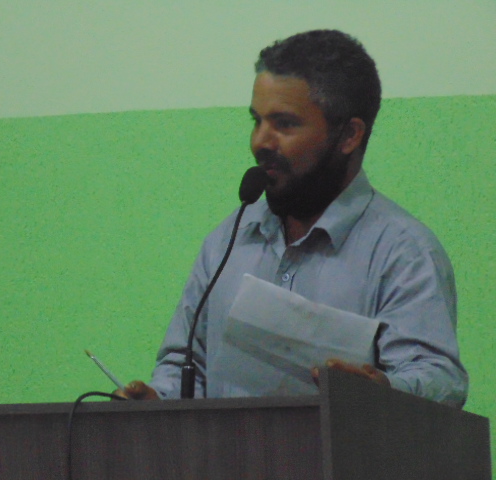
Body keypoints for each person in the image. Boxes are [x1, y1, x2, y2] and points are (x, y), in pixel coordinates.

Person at [119, 29, 468, 407]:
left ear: (349, 135)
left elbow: (438, 380)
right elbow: (186, 366)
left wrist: (382, 390)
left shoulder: (402, 251)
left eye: (284, 124)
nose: (260, 142)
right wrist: (159, 399)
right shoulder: (228, 241)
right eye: (257, 121)